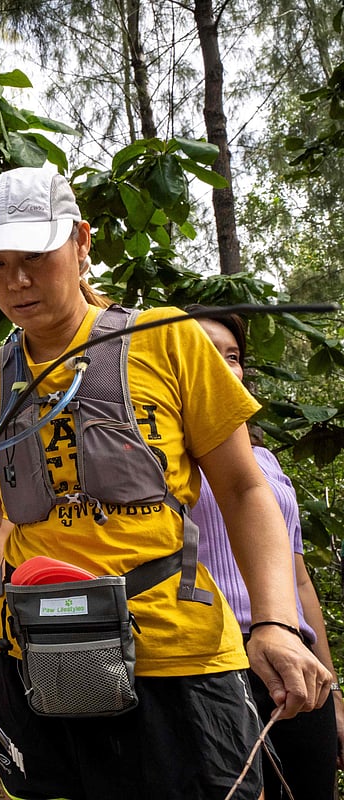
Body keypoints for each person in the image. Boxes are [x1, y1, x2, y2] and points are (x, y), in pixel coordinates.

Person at [0, 166, 331, 800]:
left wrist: (275, 621)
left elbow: (244, 490)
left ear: (81, 242)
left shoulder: (169, 340)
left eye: (35, 255)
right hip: (35, 652)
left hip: (173, 648)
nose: (16, 281)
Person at [186, 307, 344, 798]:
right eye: (207, 353)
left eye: (232, 356)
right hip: (209, 662)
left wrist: (333, 690)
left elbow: (297, 580)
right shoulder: (158, 459)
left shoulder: (264, 461)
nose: (223, 366)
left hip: (291, 656)